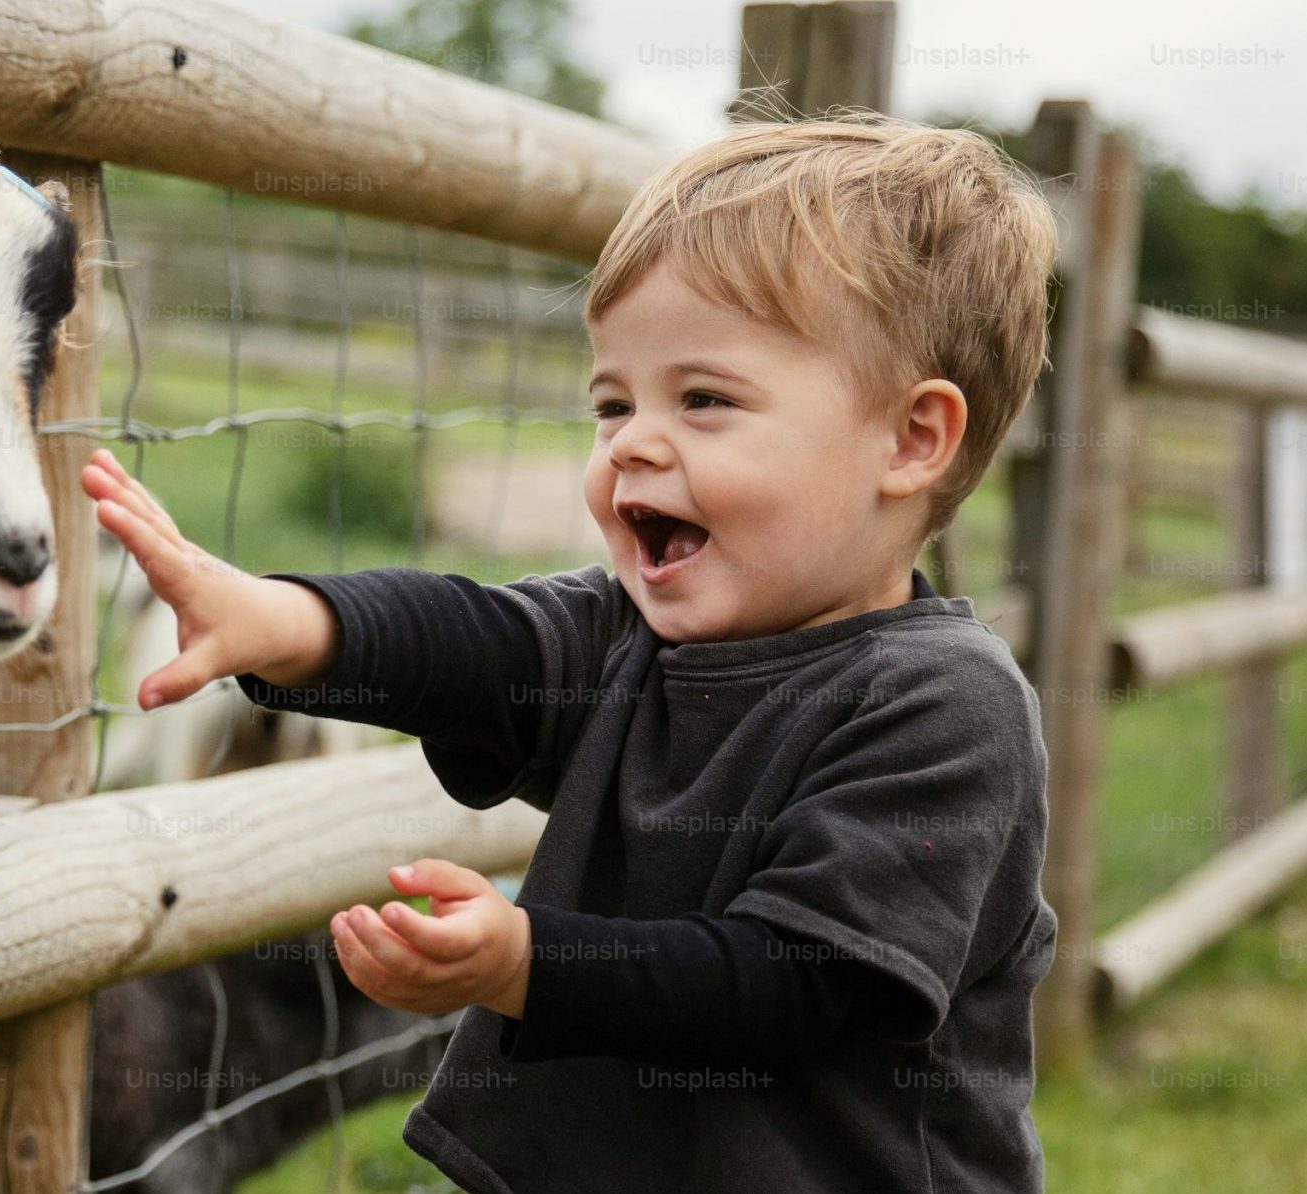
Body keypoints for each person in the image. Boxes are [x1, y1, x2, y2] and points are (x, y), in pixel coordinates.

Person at [82, 115, 1060, 1193]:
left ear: (910, 439)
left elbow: (788, 985)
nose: (631, 442)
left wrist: (530, 965)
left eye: (703, 400)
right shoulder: (624, 641)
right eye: (610, 402)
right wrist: (288, 624)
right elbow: (476, 643)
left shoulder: (942, 707)